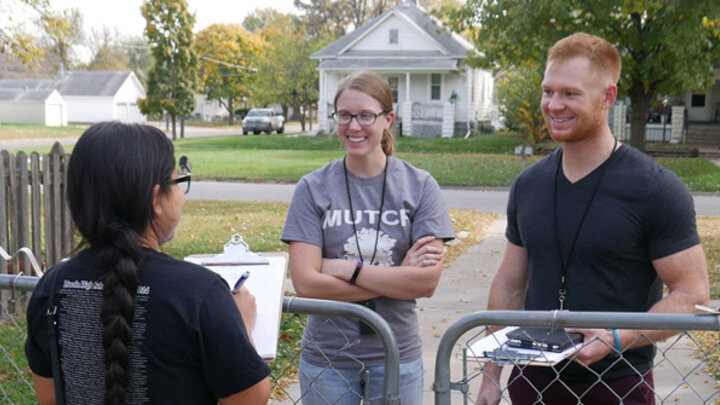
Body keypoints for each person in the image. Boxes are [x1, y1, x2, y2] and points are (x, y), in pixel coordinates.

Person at [476, 33, 710, 405]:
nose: (553, 105)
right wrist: (492, 374)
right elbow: (509, 286)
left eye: (570, 93)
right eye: (548, 91)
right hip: (530, 382)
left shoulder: (656, 189)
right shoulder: (528, 184)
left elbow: (692, 295)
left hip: (617, 386)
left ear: (609, 97)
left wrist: (617, 337)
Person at [25, 122, 272, 405]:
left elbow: (48, 398)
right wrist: (242, 326)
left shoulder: (52, 286)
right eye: (179, 182)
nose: (182, 197)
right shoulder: (200, 293)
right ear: (156, 199)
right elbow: (251, 398)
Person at [281, 71, 455, 404]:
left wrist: (346, 269)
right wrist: (397, 276)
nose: (354, 126)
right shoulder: (312, 188)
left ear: (388, 119)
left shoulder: (420, 186)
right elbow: (307, 285)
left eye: (365, 115)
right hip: (328, 360)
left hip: (396, 357)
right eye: (344, 115)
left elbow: (426, 284)